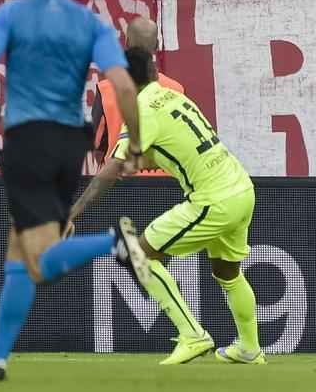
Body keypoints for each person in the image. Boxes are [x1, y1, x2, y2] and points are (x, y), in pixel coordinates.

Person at [0, 0, 149, 383]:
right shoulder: (89, 23)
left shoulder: (13, 15)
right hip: (70, 143)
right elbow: (123, 85)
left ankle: (114, 244)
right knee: (18, 251)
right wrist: (136, 144)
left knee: (38, 259)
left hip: (29, 141)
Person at [67, 47, 264, 365]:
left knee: (141, 254)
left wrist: (72, 213)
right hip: (241, 188)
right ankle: (249, 349)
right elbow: (168, 147)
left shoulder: (141, 110)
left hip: (214, 199)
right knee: (227, 272)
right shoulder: (173, 97)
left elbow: (110, 170)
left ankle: (193, 335)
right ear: (154, 71)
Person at [89, 17, 183, 170]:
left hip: (120, 182)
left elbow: (97, 144)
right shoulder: (176, 89)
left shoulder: (106, 89)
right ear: (157, 45)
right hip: (167, 186)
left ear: (126, 43)